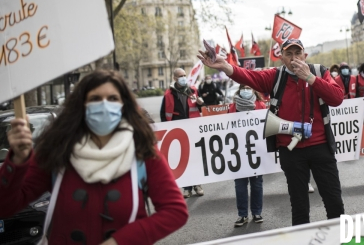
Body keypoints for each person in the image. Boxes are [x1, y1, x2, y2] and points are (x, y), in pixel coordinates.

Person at [0, 70, 188, 245]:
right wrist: (17, 161)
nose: (104, 105)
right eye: (95, 99)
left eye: (113, 98)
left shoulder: (142, 151)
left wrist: (119, 241)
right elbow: (6, 207)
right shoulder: (56, 150)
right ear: (81, 105)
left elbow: (175, 211)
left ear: (124, 105)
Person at [198, 38, 345, 226]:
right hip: (291, 151)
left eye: (297, 53)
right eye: (289, 54)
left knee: (334, 203)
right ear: (281, 58)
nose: (294, 59)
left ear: (305, 56)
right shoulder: (276, 77)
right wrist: (225, 66)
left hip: (321, 147)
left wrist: (310, 78)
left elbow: (337, 98)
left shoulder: (319, 72)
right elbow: (248, 76)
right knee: (299, 207)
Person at [160, 68, 204, 198]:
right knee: (184, 159)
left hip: (193, 129)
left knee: (195, 158)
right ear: (175, 78)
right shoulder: (168, 94)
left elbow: (201, 108)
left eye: (185, 75)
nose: (184, 77)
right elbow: (164, 114)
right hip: (179, 132)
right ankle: (187, 188)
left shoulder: (193, 91)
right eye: (180, 76)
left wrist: (202, 103)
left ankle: (198, 184)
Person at [228, 85, 266, 227]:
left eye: (249, 87)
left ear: (254, 90)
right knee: (240, 185)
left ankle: (257, 212)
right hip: (238, 151)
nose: (246, 90)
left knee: (256, 184)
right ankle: (242, 215)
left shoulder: (260, 105)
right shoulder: (232, 107)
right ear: (239, 90)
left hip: (256, 150)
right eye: (243, 87)